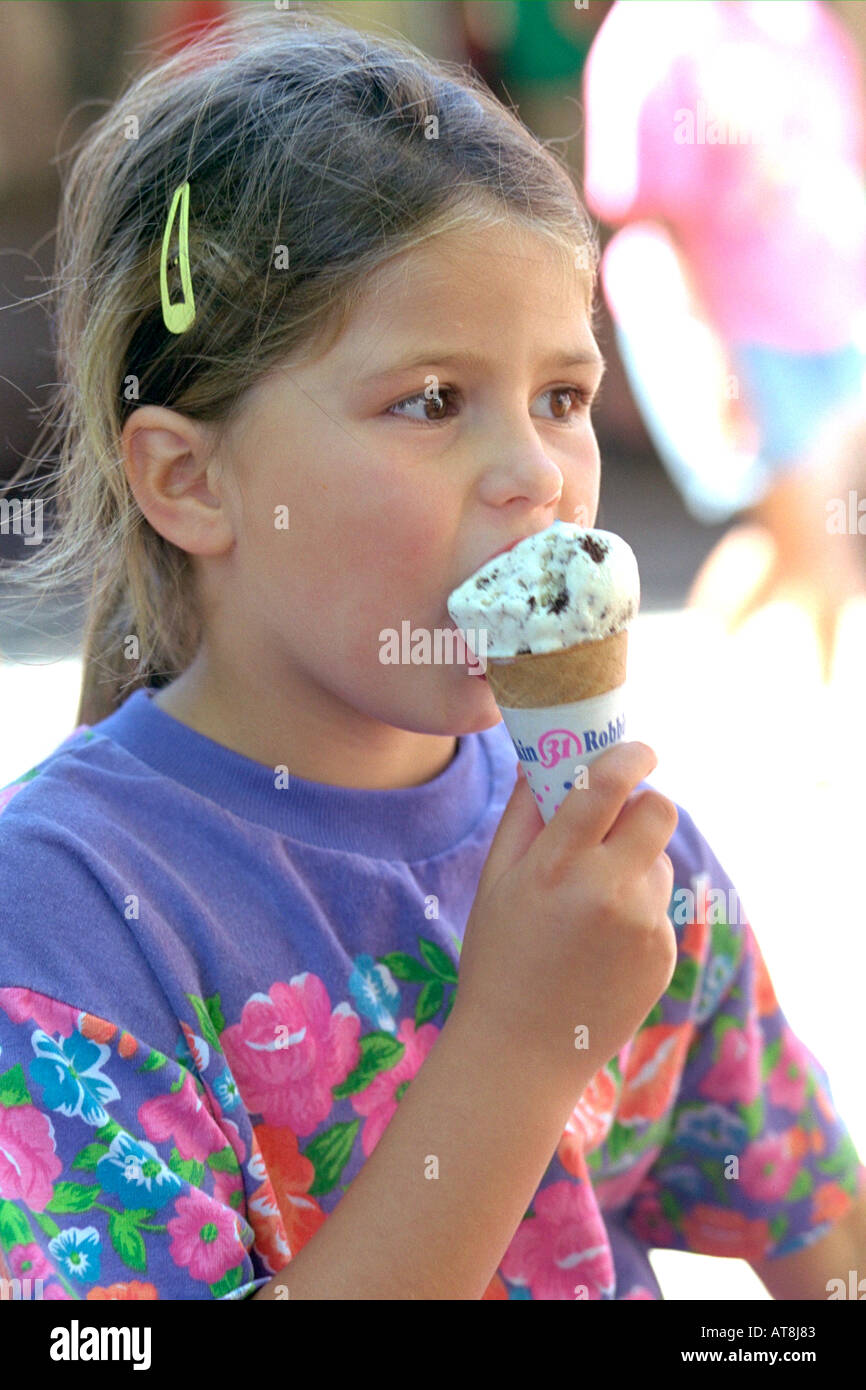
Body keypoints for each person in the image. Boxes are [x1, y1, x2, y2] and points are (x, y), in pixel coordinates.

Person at [0, 7, 862, 1302]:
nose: (534, 475)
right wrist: (521, 1044)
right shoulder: (65, 917)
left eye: (560, 398)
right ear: (189, 479)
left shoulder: (619, 856)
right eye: (429, 400)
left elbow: (818, 1239)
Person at [583, 0, 866, 683]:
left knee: (793, 538)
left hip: (831, 323)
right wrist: (701, 348)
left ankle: (686, 679)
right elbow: (645, 212)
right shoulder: (655, 35)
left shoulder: (805, 25)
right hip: (741, 336)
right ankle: (828, 740)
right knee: (827, 554)